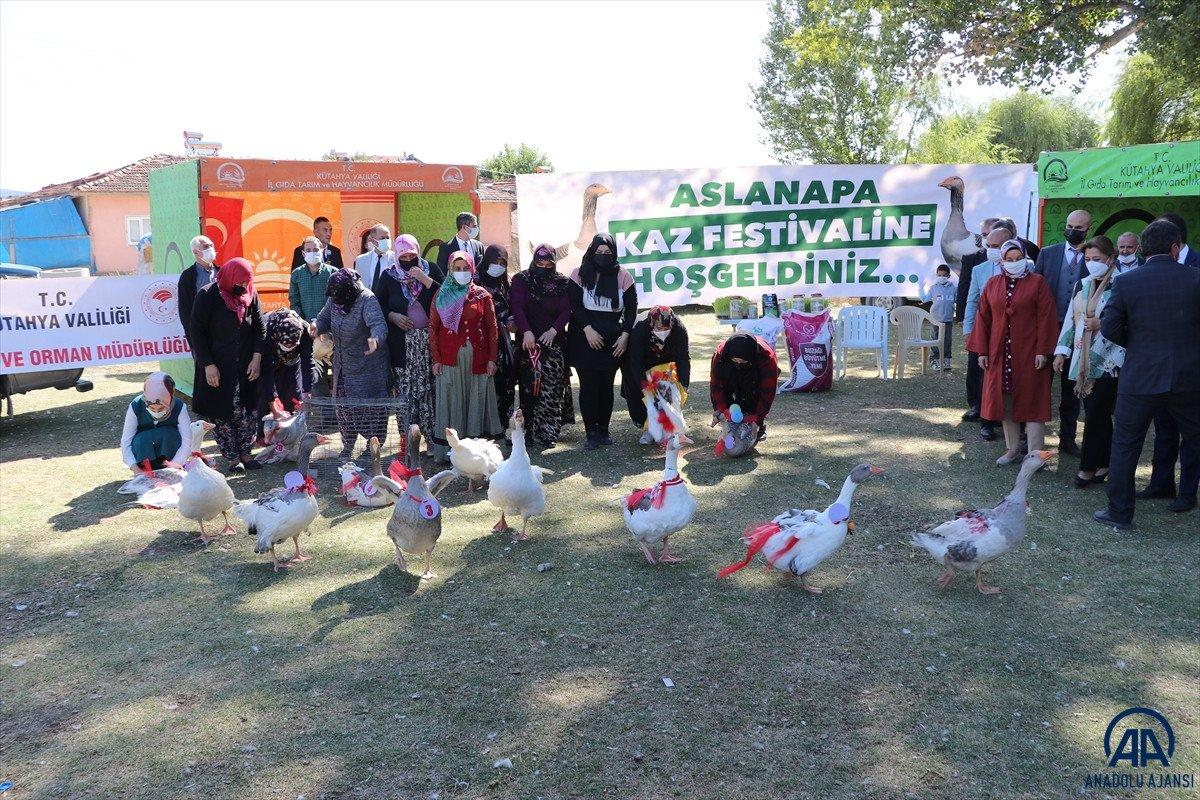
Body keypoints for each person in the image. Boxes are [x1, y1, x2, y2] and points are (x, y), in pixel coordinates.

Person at [1094, 219, 1200, 529]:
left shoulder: (1128, 282)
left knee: (1126, 445)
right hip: (1189, 377)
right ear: (1175, 248)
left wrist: (1138, 345)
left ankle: (1120, 513)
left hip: (1141, 376)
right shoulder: (1196, 278)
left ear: (1142, 249)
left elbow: (1110, 326)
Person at [966, 239, 1057, 466]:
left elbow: (1046, 317)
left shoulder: (1038, 283)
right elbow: (983, 318)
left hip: (1029, 352)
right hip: (999, 352)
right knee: (1006, 402)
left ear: (1025, 258)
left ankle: (1036, 456)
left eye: (1018, 259)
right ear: (1002, 261)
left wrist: (1043, 351)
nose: (1014, 263)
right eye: (1009, 259)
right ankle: (1012, 449)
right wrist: (982, 351)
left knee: (1033, 402)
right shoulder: (992, 284)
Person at [1138, 213, 1200, 513]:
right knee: (1163, 428)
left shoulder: (1198, 268)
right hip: (1156, 368)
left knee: (1192, 434)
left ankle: (1188, 492)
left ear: (1177, 242)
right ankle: (1161, 483)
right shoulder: (1147, 267)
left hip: (1191, 370)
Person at [1053, 236, 1124, 488]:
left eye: (1097, 259)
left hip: (1110, 361)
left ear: (1111, 259)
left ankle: (1087, 467)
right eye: (1088, 259)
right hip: (1082, 359)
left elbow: (1128, 320)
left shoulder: (1123, 283)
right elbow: (1072, 319)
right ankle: (1104, 463)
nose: (1092, 263)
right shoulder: (1083, 284)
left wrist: (1102, 324)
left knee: (1096, 415)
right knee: (1097, 414)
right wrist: (1061, 350)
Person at [190, 257, 265, 472]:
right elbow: (197, 333)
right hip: (218, 366)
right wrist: (207, 364)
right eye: (239, 283)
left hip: (245, 366)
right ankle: (232, 458)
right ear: (230, 277)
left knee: (247, 411)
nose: (243, 287)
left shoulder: (250, 294)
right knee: (222, 412)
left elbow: (260, 327)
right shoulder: (207, 295)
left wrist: (257, 357)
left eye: (246, 283)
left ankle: (246, 453)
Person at [428, 251, 502, 462]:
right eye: (457, 269)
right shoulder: (441, 294)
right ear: (450, 270)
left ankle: (478, 455)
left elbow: (492, 329)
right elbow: (433, 328)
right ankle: (451, 453)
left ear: (472, 269)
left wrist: (492, 359)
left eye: (465, 269)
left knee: (477, 398)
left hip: (478, 358)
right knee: (452, 400)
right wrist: (437, 359)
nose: (462, 273)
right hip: (450, 358)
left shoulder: (482, 295)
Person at [568, 233, 637, 450]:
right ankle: (591, 432)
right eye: (599, 253)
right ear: (591, 252)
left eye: (608, 253)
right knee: (588, 386)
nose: (603, 257)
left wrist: (625, 336)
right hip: (584, 339)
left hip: (612, 342)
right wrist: (588, 330)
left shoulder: (623, 276)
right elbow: (575, 306)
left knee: (606, 387)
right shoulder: (579, 274)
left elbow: (632, 308)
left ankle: (604, 430)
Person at [1033, 208, 1092, 456]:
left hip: (1078, 333)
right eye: (1070, 226)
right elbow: (1033, 290)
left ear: (1089, 228)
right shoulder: (1047, 254)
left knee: (1071, 389)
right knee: (1039, 384)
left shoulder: (1094, 258)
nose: (1073, 231)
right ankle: (1033, 437)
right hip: (1048, 330)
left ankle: (1067, 439)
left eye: (1079, 228)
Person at [374, 234, 442, 449]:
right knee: (405, 391)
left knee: (428, 390)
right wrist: (393, 316)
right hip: (401, 345)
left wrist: (424, 278)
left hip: (428, 344)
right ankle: (407, 440)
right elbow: (377, 306)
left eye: (413, 255)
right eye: (404, 256)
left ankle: (432, 439)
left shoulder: (429, 269)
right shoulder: (389, 276)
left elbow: (446, 297)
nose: (409, 259)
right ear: (397, 256)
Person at [314, 268, 389, 460]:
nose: (335, 300)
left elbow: (379, 325)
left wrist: (375, 340)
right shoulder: (336, 297)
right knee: (344, 409)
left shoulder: (366, 299)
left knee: (369, 409)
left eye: (338, 297)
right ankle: (348, 445)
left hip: (367, 367)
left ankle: (372, 446)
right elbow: (323, 317)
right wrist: (315, 326)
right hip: (342, 367)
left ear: (349, 290)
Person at [510, 244, 574, 449]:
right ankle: (526, 431)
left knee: (553, 387)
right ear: (534, 261)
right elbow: (517, 307)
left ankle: (548, 431)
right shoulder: (521, 280)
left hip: (553, 341)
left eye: (548, 263)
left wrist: (554, 330)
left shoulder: (562, 282)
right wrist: (526, 331)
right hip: (528, 340)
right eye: (540, 263)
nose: (544, 266)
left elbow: (566, 310)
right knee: (529, 386)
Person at [963, 222, 1017, 440]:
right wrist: (968, 328)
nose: (991, 249)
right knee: (983, 374)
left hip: (1013, 333)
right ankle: (986, 420)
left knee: (1007, 376)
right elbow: (971, 300)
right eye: (989, 244)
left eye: (997, 245)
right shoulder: (980, 269)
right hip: (985, 329)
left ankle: (1011, 421)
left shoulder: (1023, 266)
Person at [623, 305, 691, 444]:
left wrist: (684, 385)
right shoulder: (640, 329)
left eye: (666, 329)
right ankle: (647, 428)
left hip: (666, 360)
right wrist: (644, 387)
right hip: (642, 362)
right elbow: (636, 363)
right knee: (644, 395)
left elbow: (683, 358)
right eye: (659, 329)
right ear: (651, 324)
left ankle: (669, 429)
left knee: (667, 392)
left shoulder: (679, 329)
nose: (663, 332)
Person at [710, 331, 779, 442]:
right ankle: (731, 423)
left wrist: (757, 419)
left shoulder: (766, 358)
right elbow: (716, 386)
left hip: (755, 373)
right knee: (730, 395)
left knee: (752, 393)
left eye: (742, 361)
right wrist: (720, 411)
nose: (738, 363)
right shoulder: (721, 355)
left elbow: (767, 392)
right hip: (729, 369)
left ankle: (757, 427)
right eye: (735, 360)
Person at [476, 244, 517, 427]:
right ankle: (483, 427)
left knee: (504, 384)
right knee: (483, 384)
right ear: (486, 260)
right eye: (495, 261)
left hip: (503, 341)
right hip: (480, 341)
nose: (498, 266)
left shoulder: (505, 283)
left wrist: (511, 320)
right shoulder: (474, 280)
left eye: (503, 262)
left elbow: (513, 307)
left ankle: (501, 427)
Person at [120, 372, 191, 471]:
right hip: (143, 454)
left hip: (171, 457)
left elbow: (187, 442)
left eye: (161, 408)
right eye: (152, 408)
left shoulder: (179, 407)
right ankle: (146, 470)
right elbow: (126, 441)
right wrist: (134, 466)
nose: (156, 412)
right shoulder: (136, 405)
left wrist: (174, 465)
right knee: (141, 439)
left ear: (169, 399)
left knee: (168, 434)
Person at [259, 308, 313, 424]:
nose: (289, 347)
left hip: (293, 362)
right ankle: (264, 436)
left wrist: (307, 392)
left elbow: (307, 362)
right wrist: (272, 403)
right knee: (266, 396)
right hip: (269, 359)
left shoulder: (304, 331)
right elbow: (266, 371)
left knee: (294, 396)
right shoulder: (267, 331)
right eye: (286, 344)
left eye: (292, 344)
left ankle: (291, 432)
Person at [177, 235, 218, 347]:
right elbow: (184, 311)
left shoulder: (222, 272)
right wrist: (193, 338)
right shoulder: (187, 277)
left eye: (211, 245)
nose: (210, 249)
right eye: (205, 246)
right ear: (195, 252)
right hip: (200, 331)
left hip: (222, 332)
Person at [920, 263, 956, 371]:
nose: (941, 278)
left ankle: (946, 360)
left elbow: (959, 299)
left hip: (948, 319)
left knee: (947, 340)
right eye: (939, 275)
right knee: (935, 339)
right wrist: (920, 287)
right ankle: (934, 360)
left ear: (949, 276)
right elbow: (924, 299)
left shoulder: (953, 288)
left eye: (944, 275)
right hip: (935, 319)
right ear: (936, 274)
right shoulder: (933, 288)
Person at [355, 223, 395, 294]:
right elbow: (358, 285)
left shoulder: (396, 259)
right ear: (373, 240)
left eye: (388, 238)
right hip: (367, 302)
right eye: (382, 238)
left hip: (388, 303)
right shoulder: (360, 260)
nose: (386, 241)